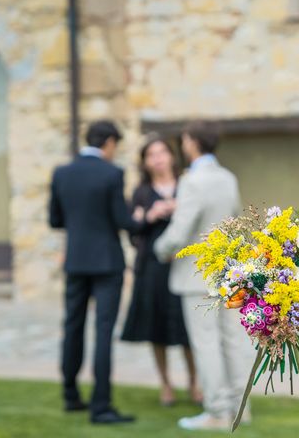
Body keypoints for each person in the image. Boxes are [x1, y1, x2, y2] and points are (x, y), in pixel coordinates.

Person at [154, 121, 253, 431]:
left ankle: (218, 412)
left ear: (191, 143)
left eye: (185, 139)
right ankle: (241, 408)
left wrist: (160, 248)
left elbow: (180, 229)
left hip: (197, 275)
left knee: (207, 344)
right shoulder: (228, 178)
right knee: (233, 342)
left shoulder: (192, 181)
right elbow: (234, 222)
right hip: (226, 273)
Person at [49, 120, 144, 424]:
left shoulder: (62, 173)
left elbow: (55, 220)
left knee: (72, 325)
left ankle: (70, 395)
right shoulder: (111, 173)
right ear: (109, 143)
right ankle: (101, 406)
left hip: (76, 261)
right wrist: (140, 218)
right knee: (103, 332)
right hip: (106, 263)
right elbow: (122, 220)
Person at [120, 135, 202, 407]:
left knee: (187, 329)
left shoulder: (187, 185)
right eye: (150, 154)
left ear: (171, 155)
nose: (157, 158)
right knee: (156, 329)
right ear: (145, 162)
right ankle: (165, 383)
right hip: (152, 270)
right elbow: (132, 232)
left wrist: (180, 210)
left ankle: (194, 381)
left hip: (184, 265)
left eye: (161, 152)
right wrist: (149, 216)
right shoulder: (141, 193)